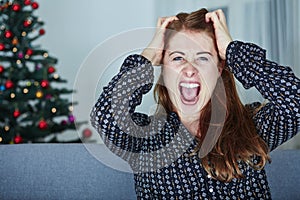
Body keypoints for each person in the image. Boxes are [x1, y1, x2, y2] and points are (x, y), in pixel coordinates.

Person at [90, 8, 299, 199]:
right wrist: (148, 56)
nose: (190, 69)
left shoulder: (252, 125)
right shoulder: (144, 137)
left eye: (203, 58)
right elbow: (105, 116)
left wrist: (234, 51)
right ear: (163, 69)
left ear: (219, 69)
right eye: (178, 58)